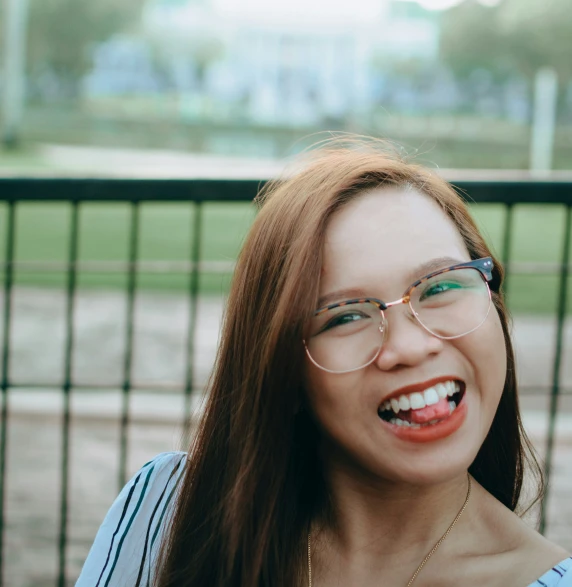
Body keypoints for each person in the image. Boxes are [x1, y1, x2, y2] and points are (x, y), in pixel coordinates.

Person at [76, 140, 571, 587]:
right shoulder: (164, 514)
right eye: (345, 316)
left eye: (440, 286)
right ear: (284, 368)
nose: (410, 347)